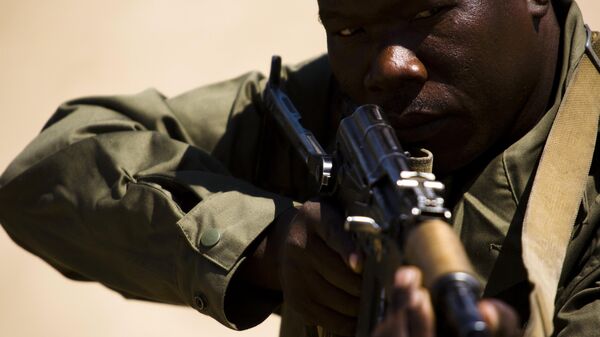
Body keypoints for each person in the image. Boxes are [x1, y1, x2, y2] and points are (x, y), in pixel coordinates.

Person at [0, 0, 598, 336]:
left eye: (426, 10)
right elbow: (47, 172)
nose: (388, 66)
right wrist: (264, 242)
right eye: (349, 27)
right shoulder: (329, 109)